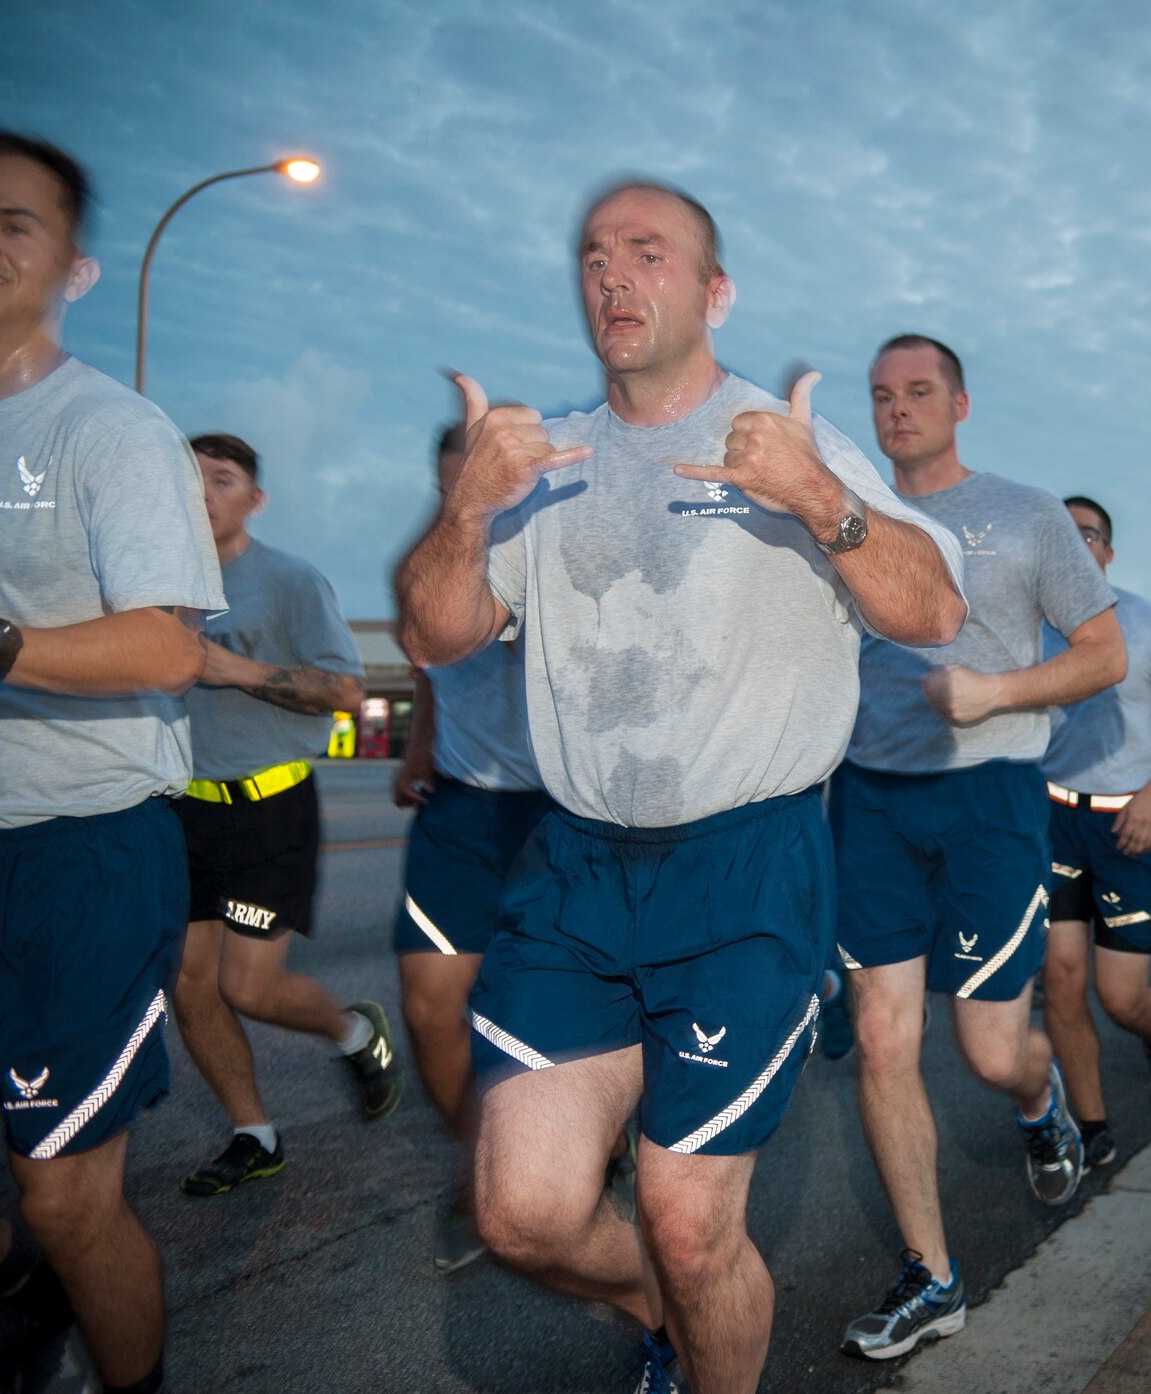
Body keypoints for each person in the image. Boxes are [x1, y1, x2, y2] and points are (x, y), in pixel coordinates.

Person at [396, 180, 966, 1394]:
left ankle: (703, 1330)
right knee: (521, 1213)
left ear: (714, 293)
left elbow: (935, 610)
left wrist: (820, 497)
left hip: (745, 863)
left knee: (691, 1210)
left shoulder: (786, 439)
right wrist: (465, 508)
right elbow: (439, 635)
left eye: (647, 254)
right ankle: (671, 1315)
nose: (613, 277)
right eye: (595, 256)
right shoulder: (542, 458)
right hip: (575, 867)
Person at [0, 128, 225, 1394]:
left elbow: (166, 645)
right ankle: (1, 1281)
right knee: (18, 1222)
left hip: (78, 857)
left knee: (67, 1192)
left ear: (75, 267)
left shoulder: (113, 430)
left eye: (15, 222)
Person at [832, 333, 1122, 1362]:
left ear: (959, 402)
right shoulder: (847, 508)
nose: (897, 409)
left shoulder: (1023, 512)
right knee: (879, 1037)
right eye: (881, 395)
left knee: (989, 1046)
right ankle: (933, 1276)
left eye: (918, 392)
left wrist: (995, 689)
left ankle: (1039, 1101)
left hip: (990, 796)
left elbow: (1103, 654)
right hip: (869, 799)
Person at [170, 433, 396, 1197]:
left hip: (268, 813)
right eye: (189, 477)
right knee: (190, 985)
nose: (203, 492)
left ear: (253, 499)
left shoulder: (289, 581)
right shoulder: (150, 586)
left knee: (249, 988)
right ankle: (254, 1134)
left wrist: (233, 668)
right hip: (182, 813)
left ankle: (353, 1031)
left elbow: (343, 691)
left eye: (222, 480)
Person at [390, 423, 554, 1271]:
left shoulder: (548, 548)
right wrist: (419, 748)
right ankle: (481, 1167)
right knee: (428, 1008)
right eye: (458, 487)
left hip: (561, 813)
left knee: (558, 1015)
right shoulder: (425, 557)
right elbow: (423, 659)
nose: (473, 502)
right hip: (460, 812)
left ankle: (582, 1151)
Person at [1039, 497, 1151, 1167]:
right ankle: (1091, 1126)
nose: (1073, 544)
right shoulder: (1028, 624)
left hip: (1132, 824)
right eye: (1060, 534)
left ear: (1107, 552)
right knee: (1060, 976)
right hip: (1054, 820)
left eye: (1086, 534)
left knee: (1120, 996)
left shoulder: (1148, 625)